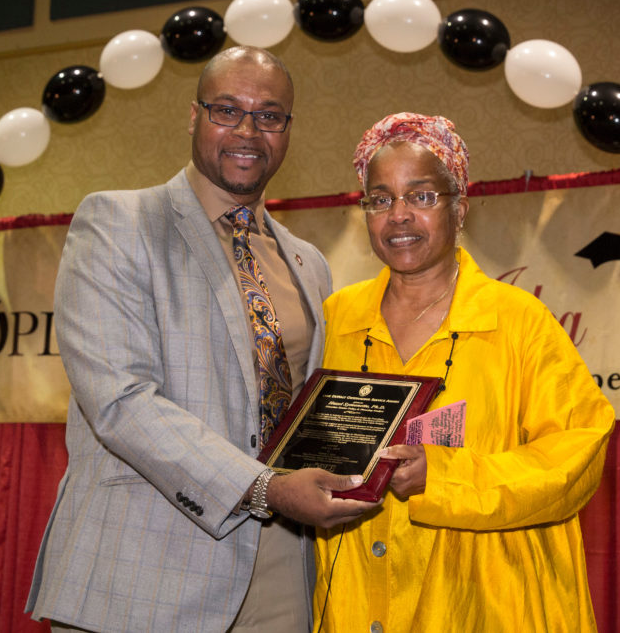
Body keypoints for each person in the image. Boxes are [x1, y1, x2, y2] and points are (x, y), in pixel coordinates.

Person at [27, 46, 376, 632]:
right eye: (227, 110)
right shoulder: (118, 224)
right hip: (143, 570)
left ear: (288, 130)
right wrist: (266, 489)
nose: (248, 130)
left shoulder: (307, 262)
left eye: (269, 115)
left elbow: (310, 409)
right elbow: (121, 402)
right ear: (195, 117)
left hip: (284, 570)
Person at [312, 113, 615, 631]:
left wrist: (447, 475)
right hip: (355, 598)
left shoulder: (519, 321)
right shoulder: (335, 318)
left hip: (488, 600)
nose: (399, 216)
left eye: (422, 196)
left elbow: (579, 453)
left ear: (461, 209)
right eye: (380, 199)